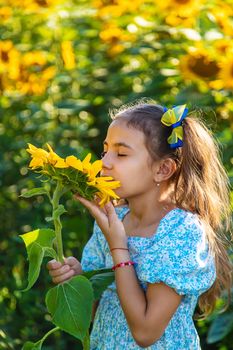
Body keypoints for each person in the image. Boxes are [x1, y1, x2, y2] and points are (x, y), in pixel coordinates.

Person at [47, 101, 232, 349]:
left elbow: (146, 332)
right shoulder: (114, 220)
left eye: (121, 154)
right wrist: (75, 280)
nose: (104, 163)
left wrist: (119, 247)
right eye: (105, 151)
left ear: (163, 169)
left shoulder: (180, 231)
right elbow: (92, 313)